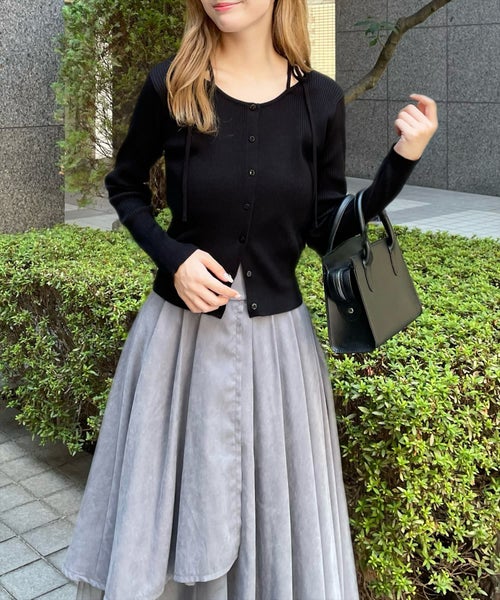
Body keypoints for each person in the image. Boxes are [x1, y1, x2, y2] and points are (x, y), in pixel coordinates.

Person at [63, 1, 438, 598]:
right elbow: (125, 185)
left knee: (272, 514)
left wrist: (401, 162)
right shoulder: (173, 85)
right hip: (177, 347)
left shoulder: (320, 101)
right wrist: (173, 257)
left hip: (279, 353)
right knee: (173, 503)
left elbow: (326, 229)